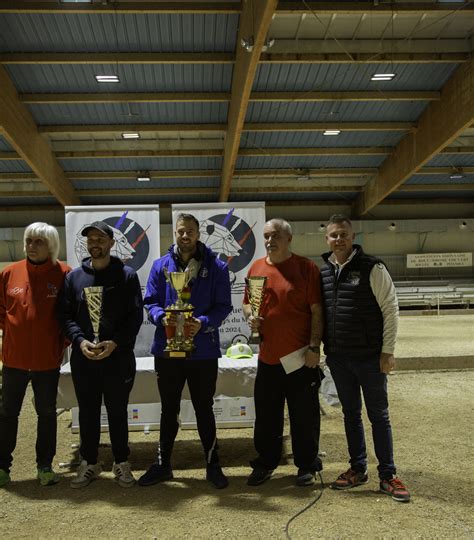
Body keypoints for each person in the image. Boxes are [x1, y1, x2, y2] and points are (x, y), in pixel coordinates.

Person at [138, 213, 232, 489]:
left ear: (198, 233)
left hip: (202, 351)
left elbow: (223, 306)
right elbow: (150, 300)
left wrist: (201, 323)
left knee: (205, 408)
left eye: (190, 231)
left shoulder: (217, 267)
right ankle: (163, 464)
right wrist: (160, 317)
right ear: (174, 234)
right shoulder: (160, 266)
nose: (185, 235)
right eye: (180, 231)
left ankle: (213, 465)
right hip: (167, 351)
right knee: (169, 409)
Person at [321, 214, 410, 502]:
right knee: (350, 415)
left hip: (370, 359)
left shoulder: (373, 267)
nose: (339, 239)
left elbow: (390, 308)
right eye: (334, 235)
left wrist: (388, 351)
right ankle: (357, 468)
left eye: (343, 234)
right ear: (327, 239)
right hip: (338, 358)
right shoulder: (323, 272)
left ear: (352, 236)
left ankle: (388, 474)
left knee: (379, 417)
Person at [59, 221, 143, 488]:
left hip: (117, 358)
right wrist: (80, 341)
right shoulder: (73, 278)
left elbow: (135, 317)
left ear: (111, 243)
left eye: (100, 238)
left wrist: (115, 343)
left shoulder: (127, 275)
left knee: (118, 411)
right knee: (88, 411)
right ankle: (90, 462)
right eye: (90, 239)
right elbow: (65, 316)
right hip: (85, 359)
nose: (95, 243)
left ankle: (121, 462)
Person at [243, 218, 323, 487]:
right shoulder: (255, 268)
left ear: (289, 239)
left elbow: (316, 311)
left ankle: (306, 464)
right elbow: (247, 305)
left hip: (300, 358)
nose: (270, 240)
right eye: (266, 235)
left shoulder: (306, 268)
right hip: (268, 359)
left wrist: (314, 347)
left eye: (276, 235)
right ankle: (266, 463)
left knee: (304, 415)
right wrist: (249, 317)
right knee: (266, 416)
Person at [0, 222, 70, 487]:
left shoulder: (63, 273)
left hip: (46, 362)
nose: (31, 246)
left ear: (51, 245)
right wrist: (15, 338)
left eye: (38, 241)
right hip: (14, 361)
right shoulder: (9, 273)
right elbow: (1, 312)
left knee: (47, 413)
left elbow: (70, 314)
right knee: (7, 413)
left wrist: (57, 344)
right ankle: (2, 467)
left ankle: (45, 466)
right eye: (29, 240)